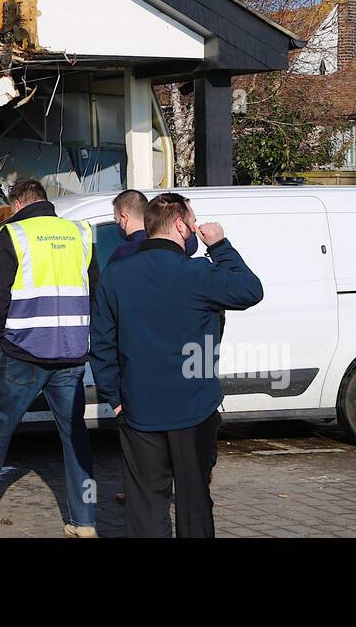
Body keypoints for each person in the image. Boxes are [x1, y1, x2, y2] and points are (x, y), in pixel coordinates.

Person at [90, 192, 263, 538]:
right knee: (194, 499)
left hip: (139, 407)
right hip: (194, 407)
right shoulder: (198, 272)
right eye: (194, 222)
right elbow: (250, 290)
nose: (197, 228)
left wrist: (114, 396)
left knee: (145, 503)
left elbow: (102, 342)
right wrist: (220, 244)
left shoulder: (116, 274)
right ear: (181, 225)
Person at [0, 178, 100, 537]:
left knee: (1, 427)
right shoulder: (79, 234)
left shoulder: (13, 235)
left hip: (24, 352)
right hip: (71, 353)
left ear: (17, 205)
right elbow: (95, 288)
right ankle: (85, 521)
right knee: (75, 435)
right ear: (45, 202)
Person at [108, 189, 150, 266]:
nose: (117, 224)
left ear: (124, 219)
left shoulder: (122, 254)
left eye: (116, 220)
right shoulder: (162, 246)